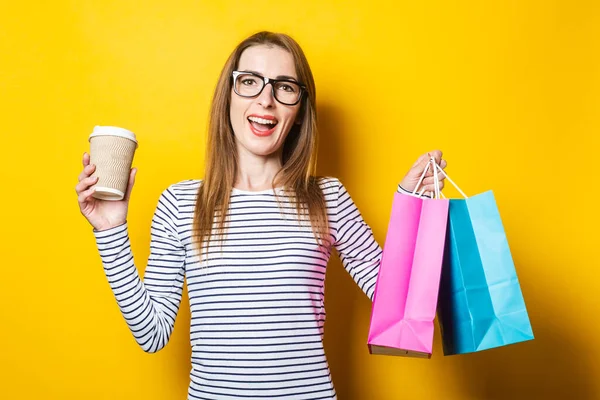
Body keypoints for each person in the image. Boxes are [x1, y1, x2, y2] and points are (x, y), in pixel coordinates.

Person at [75, 31, 446, 400]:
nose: (266, 100)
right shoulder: (180, 202)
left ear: (300, 110)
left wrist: (410, 205)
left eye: (284, 87)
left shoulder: (327, 198)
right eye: (249, 82)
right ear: (228, 98)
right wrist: (111, 231)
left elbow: (399, 303)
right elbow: (153, 334)